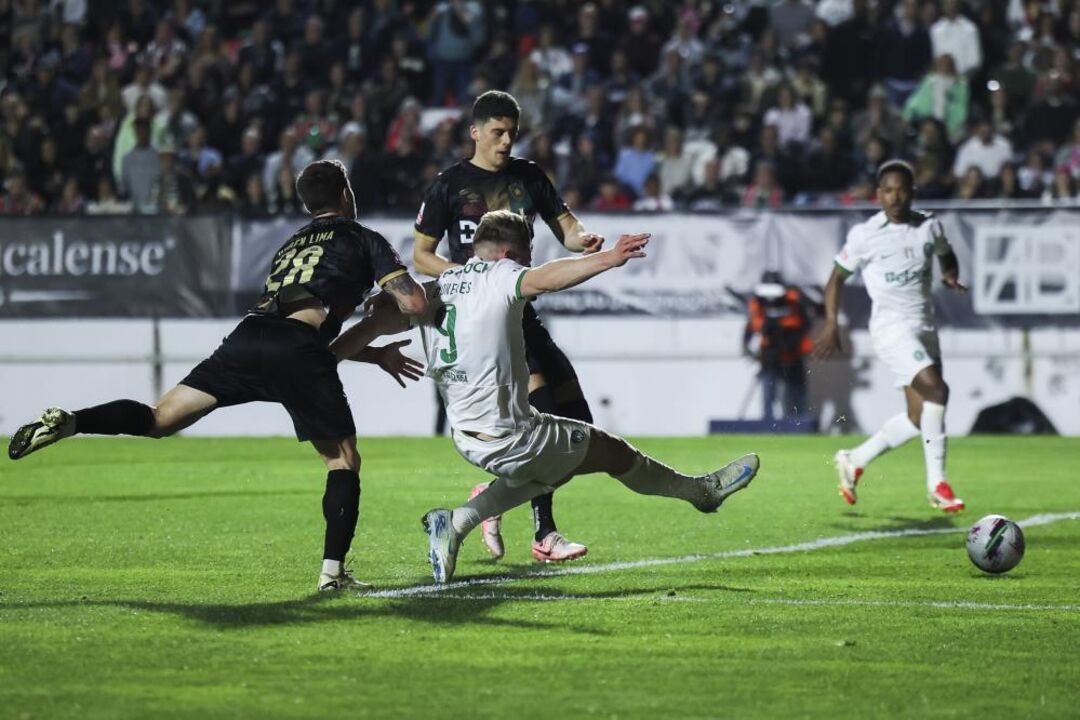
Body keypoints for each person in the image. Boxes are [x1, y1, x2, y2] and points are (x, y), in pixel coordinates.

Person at [7, 160, 429, 591]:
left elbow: (307, 336)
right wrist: (382, 319)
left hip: (249, 337)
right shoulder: (362, 237)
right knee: (342, 460)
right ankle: (332, 575)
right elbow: (411, 304)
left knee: (160, 418)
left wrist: (374, 354)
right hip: (296, 347)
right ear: (346, 194)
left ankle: (73, 421)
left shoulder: (290, 246)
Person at [340, 210, 760, 584]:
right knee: (612, 452)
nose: (529, 263)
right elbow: (548, 277)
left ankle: (457, 522)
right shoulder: (500, 274)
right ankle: (701, 492)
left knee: (550, 473)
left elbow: (365, 330)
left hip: (467, 436)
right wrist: (609, 258)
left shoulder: (437, 287)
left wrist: (348, 357)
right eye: (527, 254)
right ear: (508, 252)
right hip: (511, 435)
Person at [413, 91, 606, 564]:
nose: (504, 142)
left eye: (512, 134)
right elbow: (421, 254)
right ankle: (546, 532)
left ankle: (494, 496)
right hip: (488, 318)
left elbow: (566, 225)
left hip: (524, 310)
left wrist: (584, 240)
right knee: (538, 414)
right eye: (496, 133)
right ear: (475, 132)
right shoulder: (449, 185)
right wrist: (463, 278)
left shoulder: (529, 176)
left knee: (579, 423)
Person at [813, 160, 967, 513]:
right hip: (890, 328)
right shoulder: (866, 234)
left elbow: (947, 255)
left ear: (912, 192)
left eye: (901, 189)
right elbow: (835, 279)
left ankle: (854, 459)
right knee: (938, 391)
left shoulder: (929, 226)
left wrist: (950, 275)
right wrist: (831, 323)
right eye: (888, 190)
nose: (895, 196)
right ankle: (937, 485)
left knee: (917, 417)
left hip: (924, 327)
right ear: (878, 195)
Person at [743, 272, 813, 422]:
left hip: (792, 354)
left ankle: (799, 424)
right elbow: (751, 327)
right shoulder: (757, 303)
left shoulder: (794, 301)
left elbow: (806, 323)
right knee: (769, 393)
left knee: (796, 393)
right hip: (769, 356)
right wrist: (747, 348)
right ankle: (768, 425)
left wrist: (792, 340)